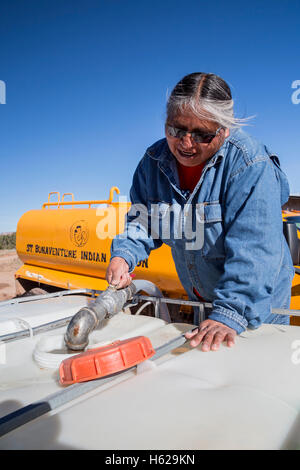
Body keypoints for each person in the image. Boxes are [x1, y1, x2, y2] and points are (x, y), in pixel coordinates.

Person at [106, 72, 294, 352]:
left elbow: (254, 250)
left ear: (225, 129)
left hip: (256, 306)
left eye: (202, 134)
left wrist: (231, 312)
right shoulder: (152, 163)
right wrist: (125, 254)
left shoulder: (251, 165)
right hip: (203, 299)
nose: (186, 143)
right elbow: (143, 221)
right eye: (176, 129)